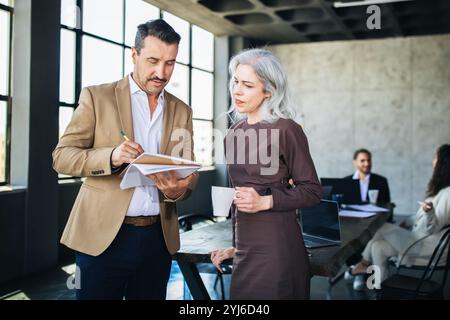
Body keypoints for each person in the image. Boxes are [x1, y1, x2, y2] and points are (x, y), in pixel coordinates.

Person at [52, 19, 197, 300]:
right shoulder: (97, 97)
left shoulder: (182, 110)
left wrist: (180, 189)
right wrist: (112, 156)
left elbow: (188, 170)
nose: (161, 72)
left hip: (158, 239)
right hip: (102, 239)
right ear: (134, 55)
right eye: (153, 60)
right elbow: (62, 157)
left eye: (170, 63)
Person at [210, 48, 322, 299]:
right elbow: (237, 198)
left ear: (269, 90)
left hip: (278, 251)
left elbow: (312, 190)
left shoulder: (287, 129)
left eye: (247, 85)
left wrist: (266, 201)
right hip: (245, 252)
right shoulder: (234, 132)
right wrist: (235, 247)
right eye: (236, 81)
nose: (237, 90)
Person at [345, 144, 450, 291]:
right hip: (419, 238)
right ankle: (380, 288)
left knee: (380, 227)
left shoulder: (448, 194)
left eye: (435, 157)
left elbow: (434, 226)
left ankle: (362, 263)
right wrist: (406, 222)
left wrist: (429, 212)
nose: (433, 161)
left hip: (426, 246)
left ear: (443, 164)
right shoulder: (440, 190)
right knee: (378, 246)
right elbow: (420, 217)